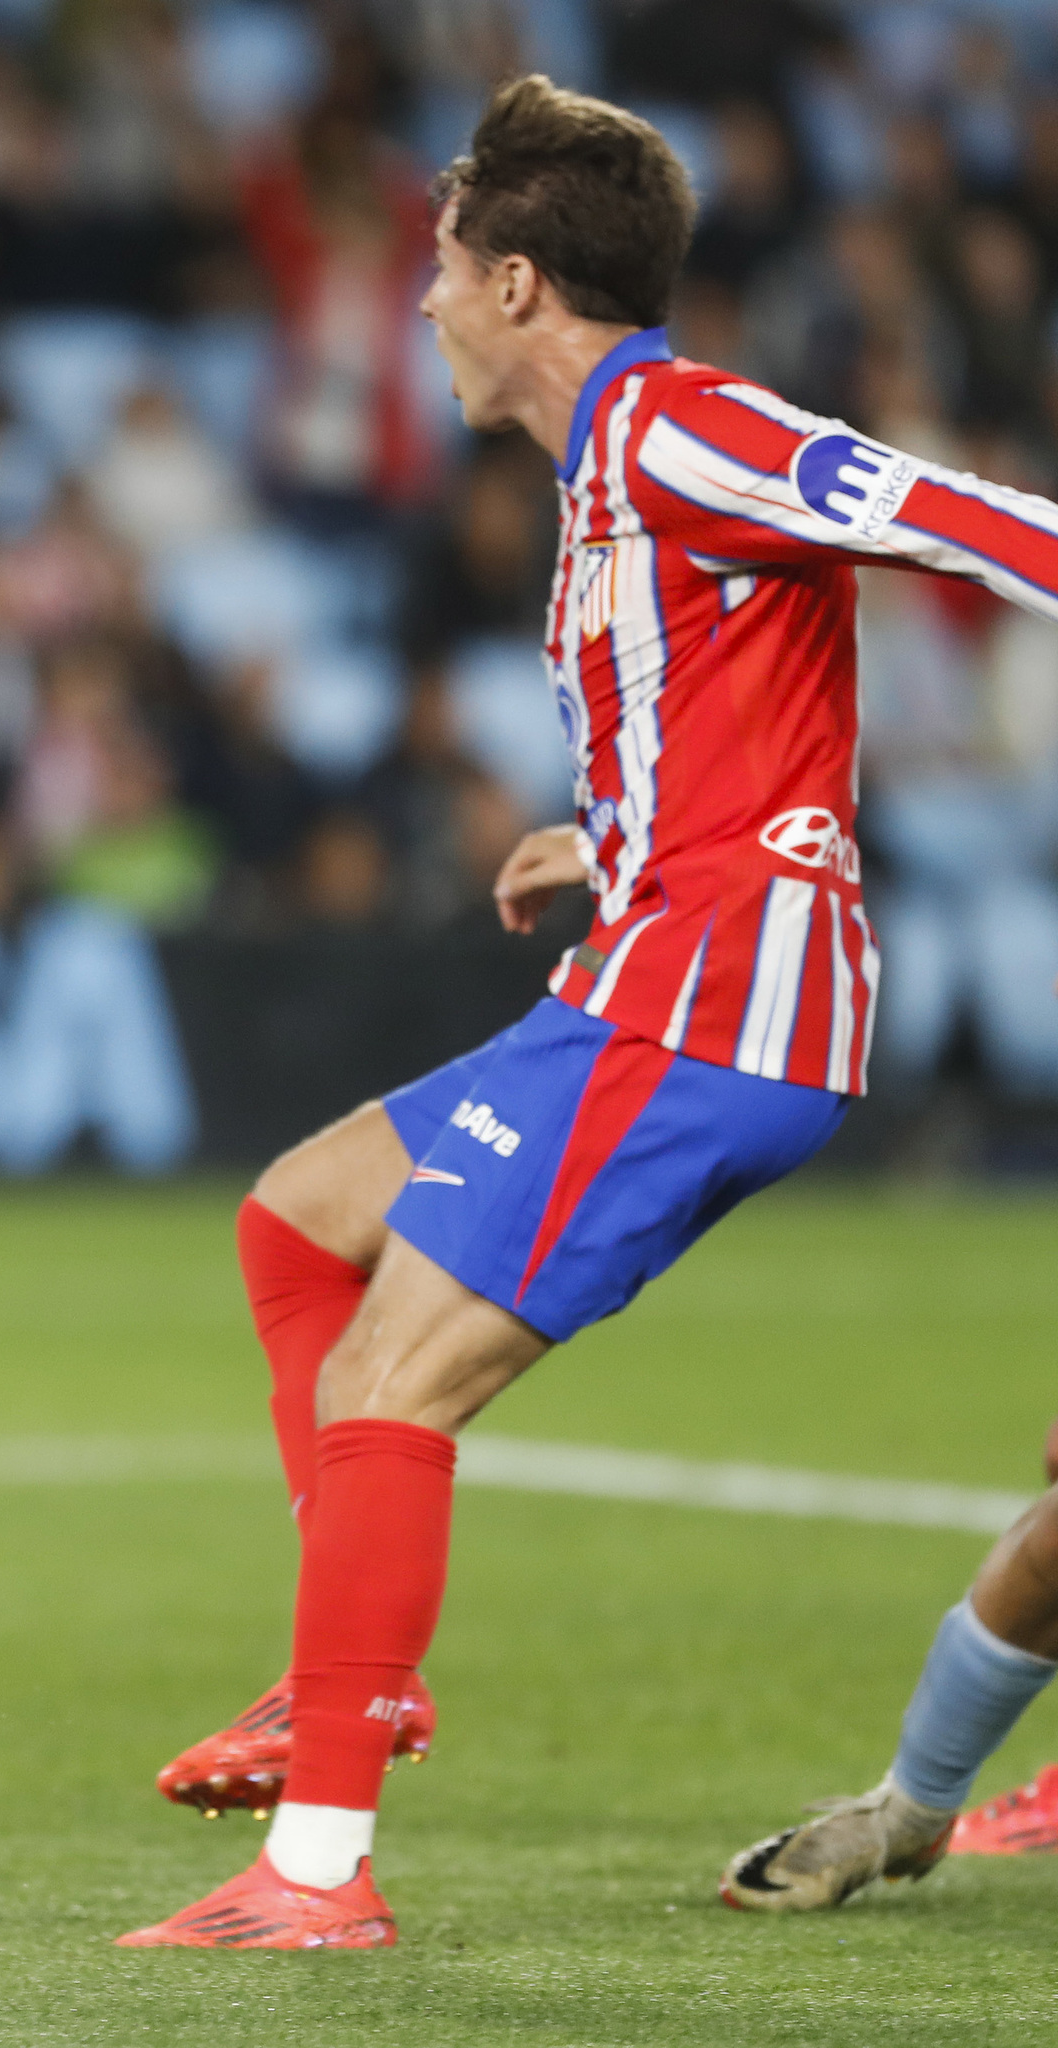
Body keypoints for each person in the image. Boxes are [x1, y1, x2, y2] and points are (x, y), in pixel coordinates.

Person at [120, 74, 1058, 1950]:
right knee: (300, 1215)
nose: (424, 304)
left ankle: (317, 1876)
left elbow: (969, 520)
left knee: (396, 1382)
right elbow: (740, 693)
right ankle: (344, 1682)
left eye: (445, 269)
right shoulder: (611, 461)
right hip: (650, 954)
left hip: (715, 1005)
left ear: (526, 281)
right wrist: (610, 836)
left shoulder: (685, 427)